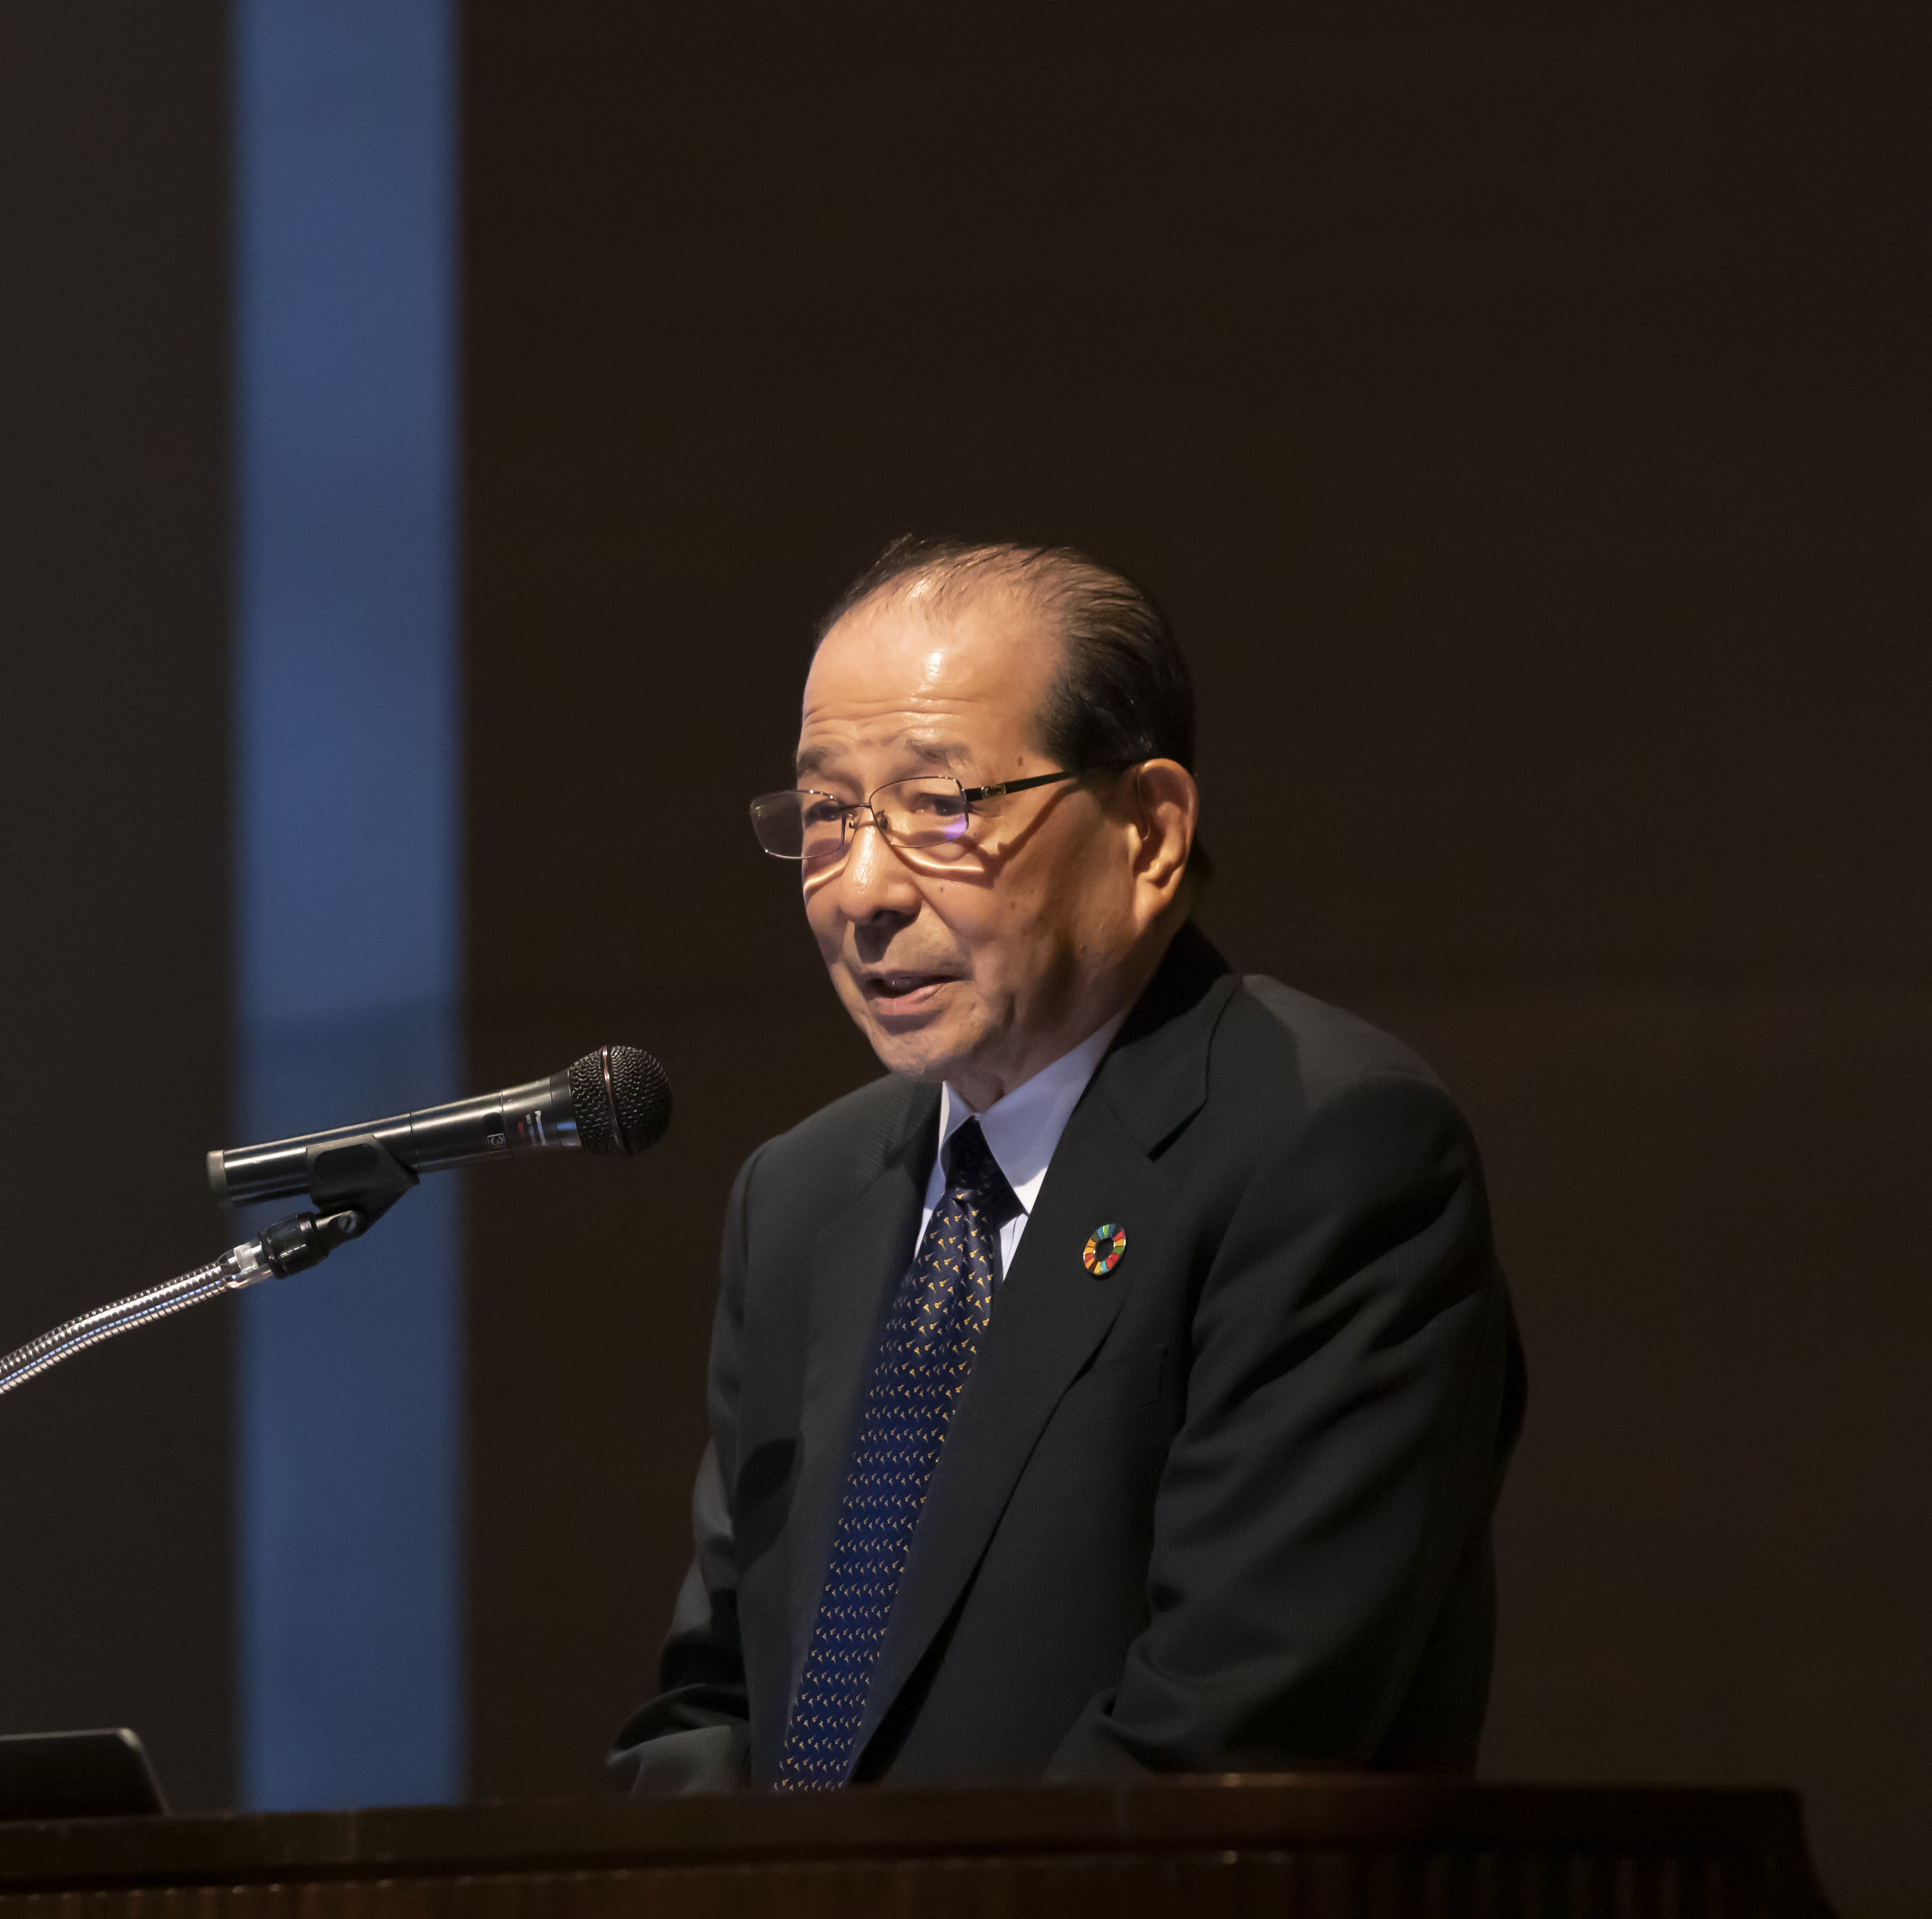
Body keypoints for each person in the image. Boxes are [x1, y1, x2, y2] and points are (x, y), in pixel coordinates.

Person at [609, 537, 1527, 1793]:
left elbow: (1222, 1735)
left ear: (1148, 833)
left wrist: (856, 1896)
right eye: (827, 816)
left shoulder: (1327, 1151)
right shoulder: (801, 1193)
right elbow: (714, 1701)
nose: (861, 890)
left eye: (940, 804)